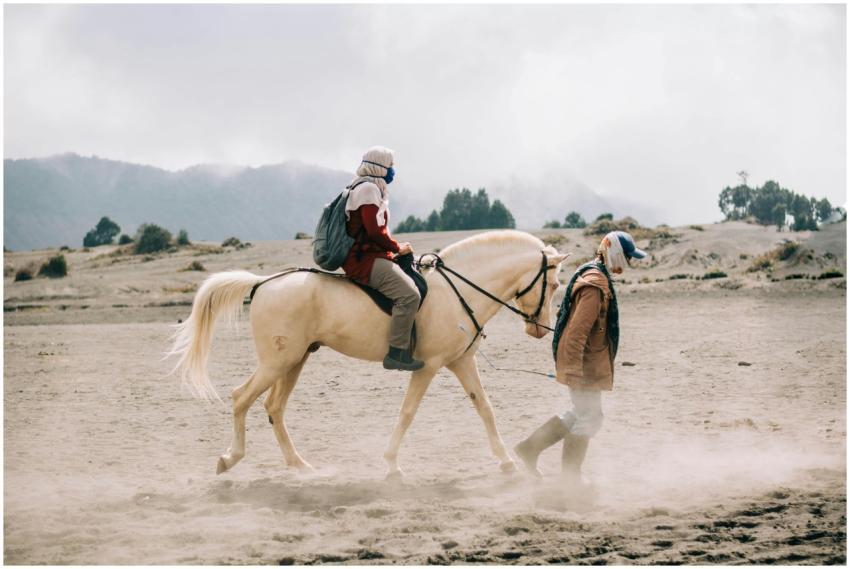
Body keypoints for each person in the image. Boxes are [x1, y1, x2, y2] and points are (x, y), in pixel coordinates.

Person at [513, 230, 646, 488]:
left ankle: (529, 449)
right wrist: (573, 370)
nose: (629, 262)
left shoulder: (595, 275)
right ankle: (570, 479)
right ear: (615, 253)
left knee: (580, 413)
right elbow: (576, 331)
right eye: (628, 257)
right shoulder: (595, 284)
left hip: (585, 361)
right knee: (590, 417)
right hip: (583, 364)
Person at [342, 146, 425, 372]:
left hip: (370, 254)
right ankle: (396, 353)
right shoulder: (368, 189)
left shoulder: (362, 186)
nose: (392, 170)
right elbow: (374, 231)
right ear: (379, 166)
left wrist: (393, 248)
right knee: (409, 295)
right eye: (390, 165)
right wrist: (397, 247)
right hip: (364, 260)